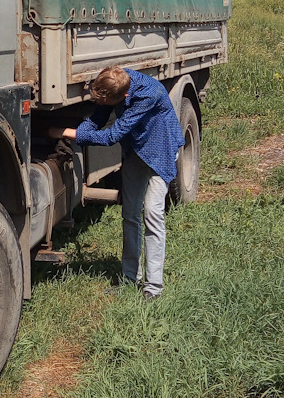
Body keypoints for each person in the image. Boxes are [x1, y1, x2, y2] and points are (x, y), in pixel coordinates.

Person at [49, 66, 184, 297]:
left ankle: (153, 288)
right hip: (136, 152)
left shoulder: (148, 94)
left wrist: (66, 132)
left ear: (122, 96)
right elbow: (97, 120)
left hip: (160, 153)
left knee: (152, 213)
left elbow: (112, 136)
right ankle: (130, 279)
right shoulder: (115, 81)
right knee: (130, 214)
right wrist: (77, 134)